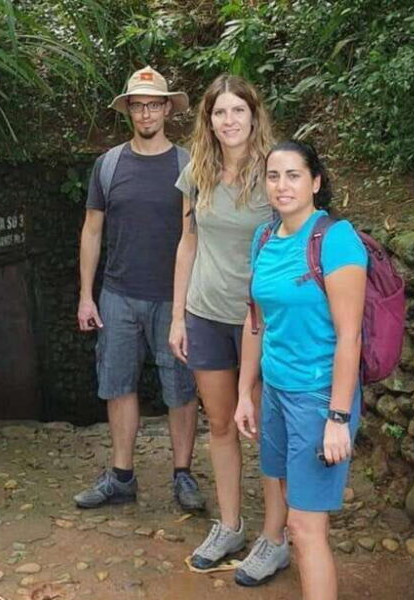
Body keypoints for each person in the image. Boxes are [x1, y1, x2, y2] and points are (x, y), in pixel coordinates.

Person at [234, 140, 366, 596]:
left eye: (294, 175)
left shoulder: (336, 239)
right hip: (275, 390)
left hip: (318, 397)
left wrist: (338, 417)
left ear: (315, 181)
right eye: (274, 175)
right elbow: (257, 323)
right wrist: (244, 393)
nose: (282, 185)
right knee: (290, 503)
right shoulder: (264, 238)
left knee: (306, 528)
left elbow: (350, 336)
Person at [73, 66, 205, 512]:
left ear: (168, 108)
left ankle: (183, 474)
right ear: (127, 110)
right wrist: (86, 294)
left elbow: (199, 234)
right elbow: (92, 231)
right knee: (118, 384)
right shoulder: (108, 165)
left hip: (175, 297)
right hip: (118, 293)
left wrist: (187, 306)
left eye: (153, 104)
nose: (146, 112)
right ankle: (122, 474)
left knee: (181, 388)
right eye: (138, 105)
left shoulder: (188, 165)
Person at [169, 74, 285, 571]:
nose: (229, 121)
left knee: (262, 426)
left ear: (254, 116)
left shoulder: (275, 172)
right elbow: (188, 242)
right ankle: (231, 525)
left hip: (260, 320)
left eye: (238, 111)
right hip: (206, 313)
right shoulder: (196, 170)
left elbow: (294, 243)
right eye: (219, 112)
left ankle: (276, 536)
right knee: (219, 424)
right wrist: (178, 316)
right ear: (208, 119)